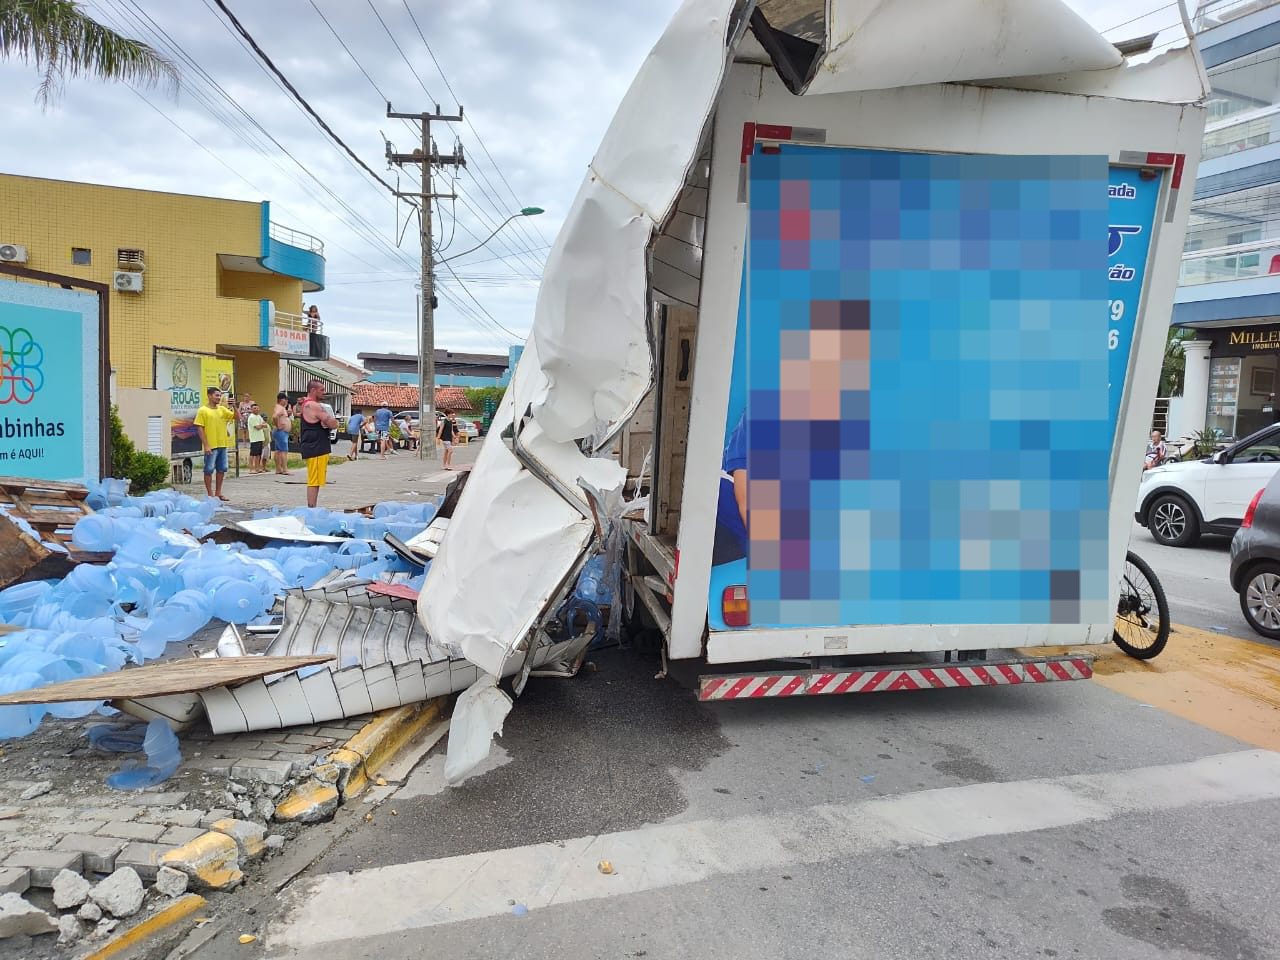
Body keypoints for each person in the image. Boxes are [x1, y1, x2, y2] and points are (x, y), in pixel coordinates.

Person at [299, 379, 338, 508]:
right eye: (322, 390)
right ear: (313, 390)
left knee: (316, 480)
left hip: (317, 445)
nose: (324, 392)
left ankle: (312, 508)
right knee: (313, 481)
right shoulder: (314, 405)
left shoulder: (307, 404)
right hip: (315, 446)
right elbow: (333, 423)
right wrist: (328, 420)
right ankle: (311, 509)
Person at [194, 386, 236, 501]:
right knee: (209, 469)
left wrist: (235, 406)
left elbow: (236, 417)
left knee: (222, 469)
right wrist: (206, 445)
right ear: (209, 396)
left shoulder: (222, 409)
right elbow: (200, 428)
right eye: (216, 395)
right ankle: (210, 494)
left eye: (220, 395)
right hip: (211, 446)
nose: (219, 397)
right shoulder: (203, 410)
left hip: (222, 444)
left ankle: (218, 493)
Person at [272, 392, 293, 476]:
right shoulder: (280, 408)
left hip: (281, 432)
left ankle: (278, 468)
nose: (287, 401)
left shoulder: (280, 407)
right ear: (281, 400)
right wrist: (278, 425)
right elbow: (274, 416)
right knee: (284, 451)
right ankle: (285, 469)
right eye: (286, 399)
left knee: (278, 450)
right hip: (281, 432)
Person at [246, 402, 269, 474]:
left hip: (260, 438)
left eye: (257, 408)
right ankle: (251, 469)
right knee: (253, 454)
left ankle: (257, 468)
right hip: (254, 438)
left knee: (258, 454)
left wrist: (261, 425)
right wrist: (261, 425)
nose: (256, 409)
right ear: (251, 409)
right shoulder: (252, 417)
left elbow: (265, 425)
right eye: (254, 408)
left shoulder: (259, 416)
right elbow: (257, 427)